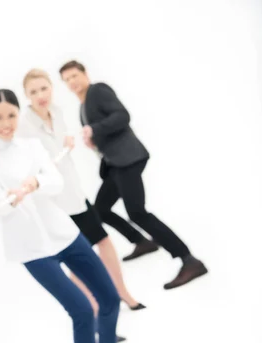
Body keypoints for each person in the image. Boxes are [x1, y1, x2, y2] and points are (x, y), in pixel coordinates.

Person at [0, 89, 134, 343]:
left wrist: (37, 182)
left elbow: (56, 182)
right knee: (82, 312)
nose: (5, 123)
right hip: (32, 249)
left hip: (64, 233)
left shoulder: (32, 146)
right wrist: (12, 196)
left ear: (18, 115)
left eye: (10, 115)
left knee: (110, 298)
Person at [58, 60, 208, 290]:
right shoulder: (83, 107)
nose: (72, 82)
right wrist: (94, 141)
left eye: (74, 76)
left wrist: (94, 130)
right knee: (101, 210)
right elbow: (105, 129)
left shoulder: (98, 90)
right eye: (67, 79)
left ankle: (189, 260)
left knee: (137, 212)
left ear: (84, 73)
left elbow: (122, 116)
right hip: (115, 164)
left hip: (128, 159)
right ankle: (141, 242)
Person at [17, 68, 145, 311]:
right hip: (53, 203)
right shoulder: (24, 125)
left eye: (44, 88)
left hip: (74, 194)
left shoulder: (57, 112)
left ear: (51, 89)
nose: (40, 95)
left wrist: (67, 142)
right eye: (33, 92)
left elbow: (61, 149)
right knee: (77, 257)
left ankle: (122, 293)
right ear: (26, 95)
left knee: (103, 241)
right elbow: (29, 164)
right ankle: (93, 308)